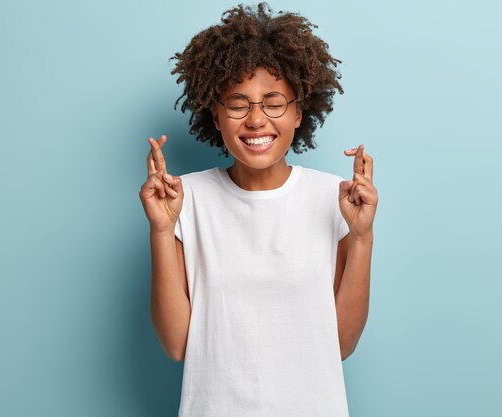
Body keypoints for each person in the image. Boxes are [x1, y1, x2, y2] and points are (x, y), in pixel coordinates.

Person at [138, 3, 378, 416]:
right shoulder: (185, 200)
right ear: (215, 114)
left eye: (273, 102)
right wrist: (161, 230)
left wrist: (361, 237)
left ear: (299, 111)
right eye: (237, 103)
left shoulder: (332, 198)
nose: (255, 120)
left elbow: (340, 345)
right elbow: (176, 344)